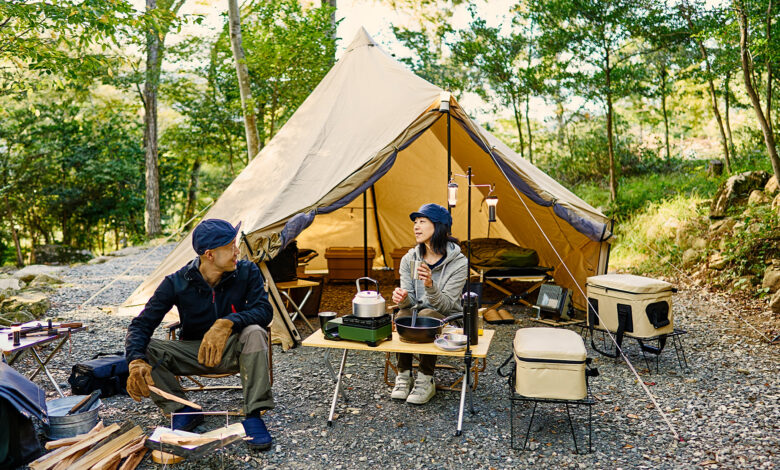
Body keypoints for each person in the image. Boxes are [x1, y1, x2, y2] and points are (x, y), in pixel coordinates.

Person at [125, 219, 275, 451]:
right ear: (210, 254)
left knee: (255, 332)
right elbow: (141, 324)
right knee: (145, 349)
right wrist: (135, 360)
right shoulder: (176, 282)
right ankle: (181, 409)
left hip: (234, 349)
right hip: (192, 352)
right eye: (230, 246)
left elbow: (264, 311)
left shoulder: (247, 271)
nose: (237, 251)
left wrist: (227, 323)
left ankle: (253, 414)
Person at [391, 203, 467, 405]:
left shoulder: (459, 263)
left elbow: (447, 306)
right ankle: (404, 375)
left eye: (422, 222)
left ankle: (426, 378)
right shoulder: (409, 259)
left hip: (448, 319)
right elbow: (411, 302)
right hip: (417, 315)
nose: (416, 226)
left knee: (428, 313)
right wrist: (402, 297)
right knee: (402, 314)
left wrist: (430, 286)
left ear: (439, 226)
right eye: (415, 222)